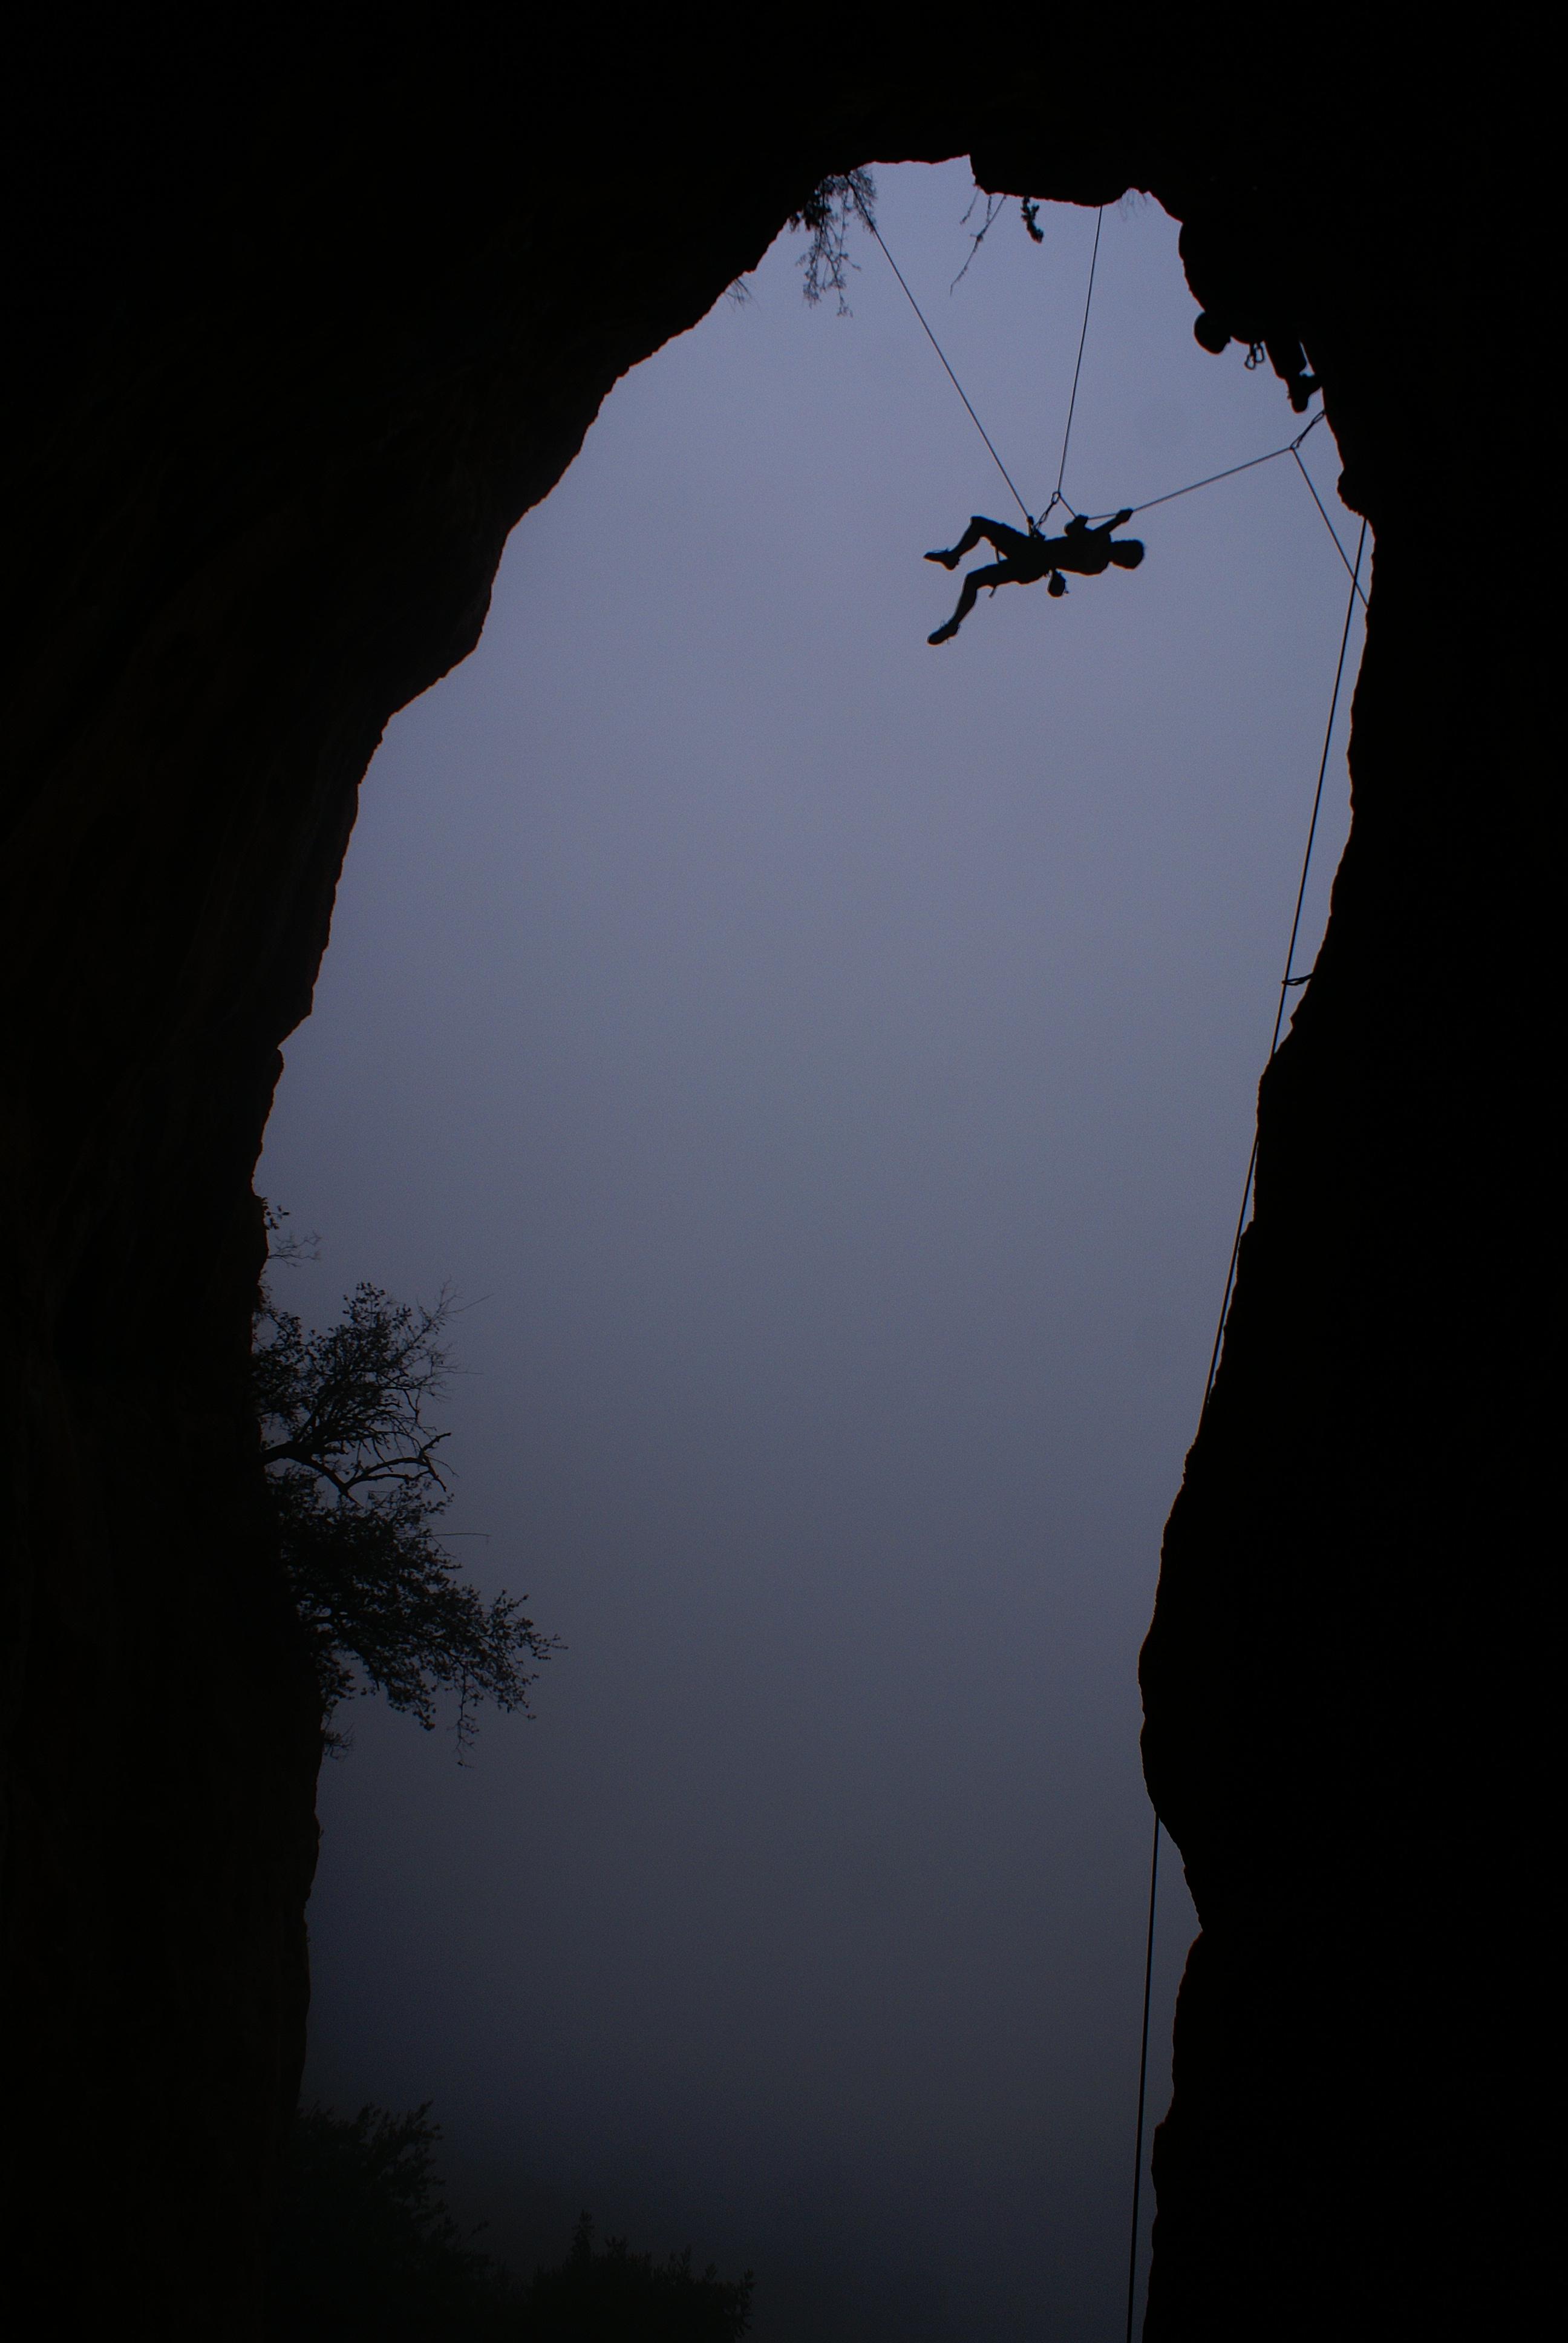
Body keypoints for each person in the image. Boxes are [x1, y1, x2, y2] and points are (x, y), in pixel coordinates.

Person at [924, 509, 1145, 644]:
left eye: (1124, 553)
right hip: (1031, 549)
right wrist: (1078, 524)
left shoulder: (1098, 564)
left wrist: (1116, 521)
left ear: (1121, 562)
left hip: (1033, 565)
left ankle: (953, 624)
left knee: (973, 580)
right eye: (1125, 544)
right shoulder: (1104, 539)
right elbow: (1071, 532)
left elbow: (1088, 544)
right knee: (979, 524)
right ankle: (953, 556)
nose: (1121, 546)